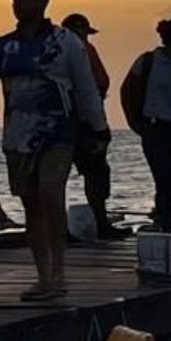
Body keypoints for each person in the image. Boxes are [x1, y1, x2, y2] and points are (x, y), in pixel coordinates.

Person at [0, 0, 109, 301]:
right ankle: (43, 276)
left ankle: (59, 274)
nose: (18, 4)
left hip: (58, 133)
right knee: (30, 204)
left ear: (42, 1)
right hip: (17, 137)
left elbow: (86, 87)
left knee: (50, 195)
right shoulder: (4, 47)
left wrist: (99, 129)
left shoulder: (65, 42)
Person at [61, 12, 129, 240]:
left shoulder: (66, 51)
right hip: (84, 125)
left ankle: (65, 227)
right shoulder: (81, 50)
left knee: (65, 174)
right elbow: (96, 84)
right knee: (94, 174)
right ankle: (99, 223)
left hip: (67, 123)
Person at [121, 18, 171, 233]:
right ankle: (163, 219)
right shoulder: (149, 61)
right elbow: (127, 90)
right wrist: (135, 123)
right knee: (162, 177)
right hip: (156, 127)